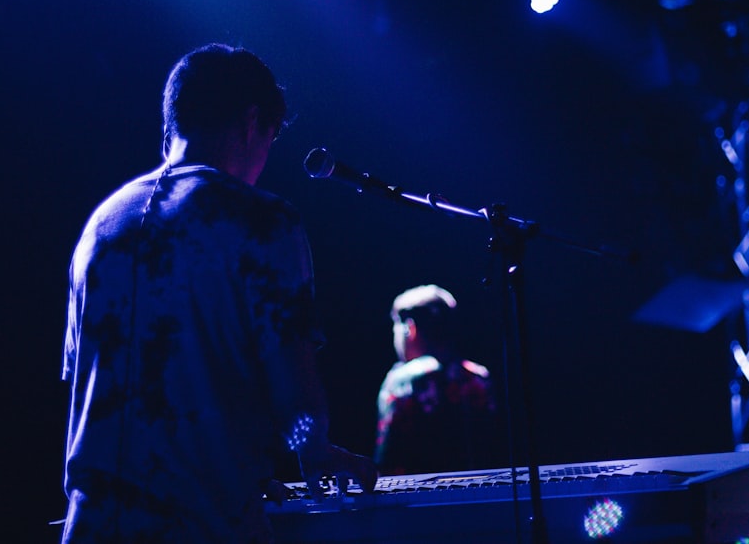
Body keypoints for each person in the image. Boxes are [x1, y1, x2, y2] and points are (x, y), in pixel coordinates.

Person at [59, 43, 377, 544]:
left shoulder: (101, 226)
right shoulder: (260, 220)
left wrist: (237, 464)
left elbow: (100, 388)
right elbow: (294, 395)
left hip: (91, 528)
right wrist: (313, 449)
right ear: (253, 124)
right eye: (269, 141)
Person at [373, 284, 505, 476]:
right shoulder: (480, 378)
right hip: (481, 496)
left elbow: (387, 459)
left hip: (417, 500)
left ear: (411, 328)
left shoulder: (403, 380)